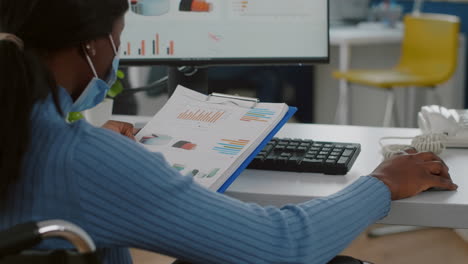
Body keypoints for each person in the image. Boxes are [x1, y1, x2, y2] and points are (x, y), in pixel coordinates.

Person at [0, 1, 458, 264]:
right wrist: (381, 183)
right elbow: (283, 247)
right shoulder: (79, 158)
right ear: (90, 45)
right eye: (119, 38)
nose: (117, 53)